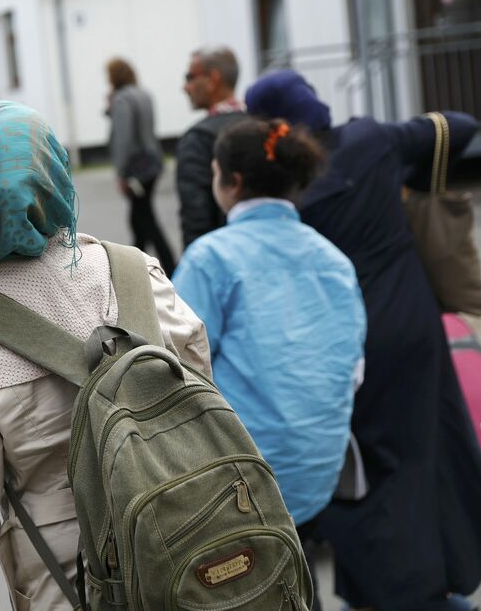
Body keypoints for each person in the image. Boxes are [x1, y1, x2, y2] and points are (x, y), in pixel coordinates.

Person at [0, 101, 211, 610]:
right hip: (193, 550)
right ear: (56, 174)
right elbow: (199, 392)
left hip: (73, 583)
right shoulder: (134, 272)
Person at [246, 69, 481, 611]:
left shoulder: (285, 188)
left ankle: (395, 592)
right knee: (434, 449)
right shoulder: (371, 142)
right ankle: (447, 581)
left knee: (361, 470)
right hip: (412, 324)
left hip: (339, 339)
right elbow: (461, 125)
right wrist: (413, 179)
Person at [172, 118, 367, 608]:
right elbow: (352, 368)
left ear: (231, 183)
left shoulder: (210, 258)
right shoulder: (335, 260)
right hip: (319, 469)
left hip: (249, 482)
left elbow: (172, 368)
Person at [105, 57, 177, 275]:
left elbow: (124, 138)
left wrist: (121, 172)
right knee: (139, 218)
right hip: (152, 162)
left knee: (145, 218)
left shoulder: (122, 100)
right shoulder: (143, 94)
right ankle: (138, 268)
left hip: (136, 168)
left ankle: (169, 266)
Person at [176, 46, 248, 247]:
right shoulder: (262, 125)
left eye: (190, 77)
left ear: (212, 79)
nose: (185, 87)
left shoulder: (198, 139)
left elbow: (195, 216)